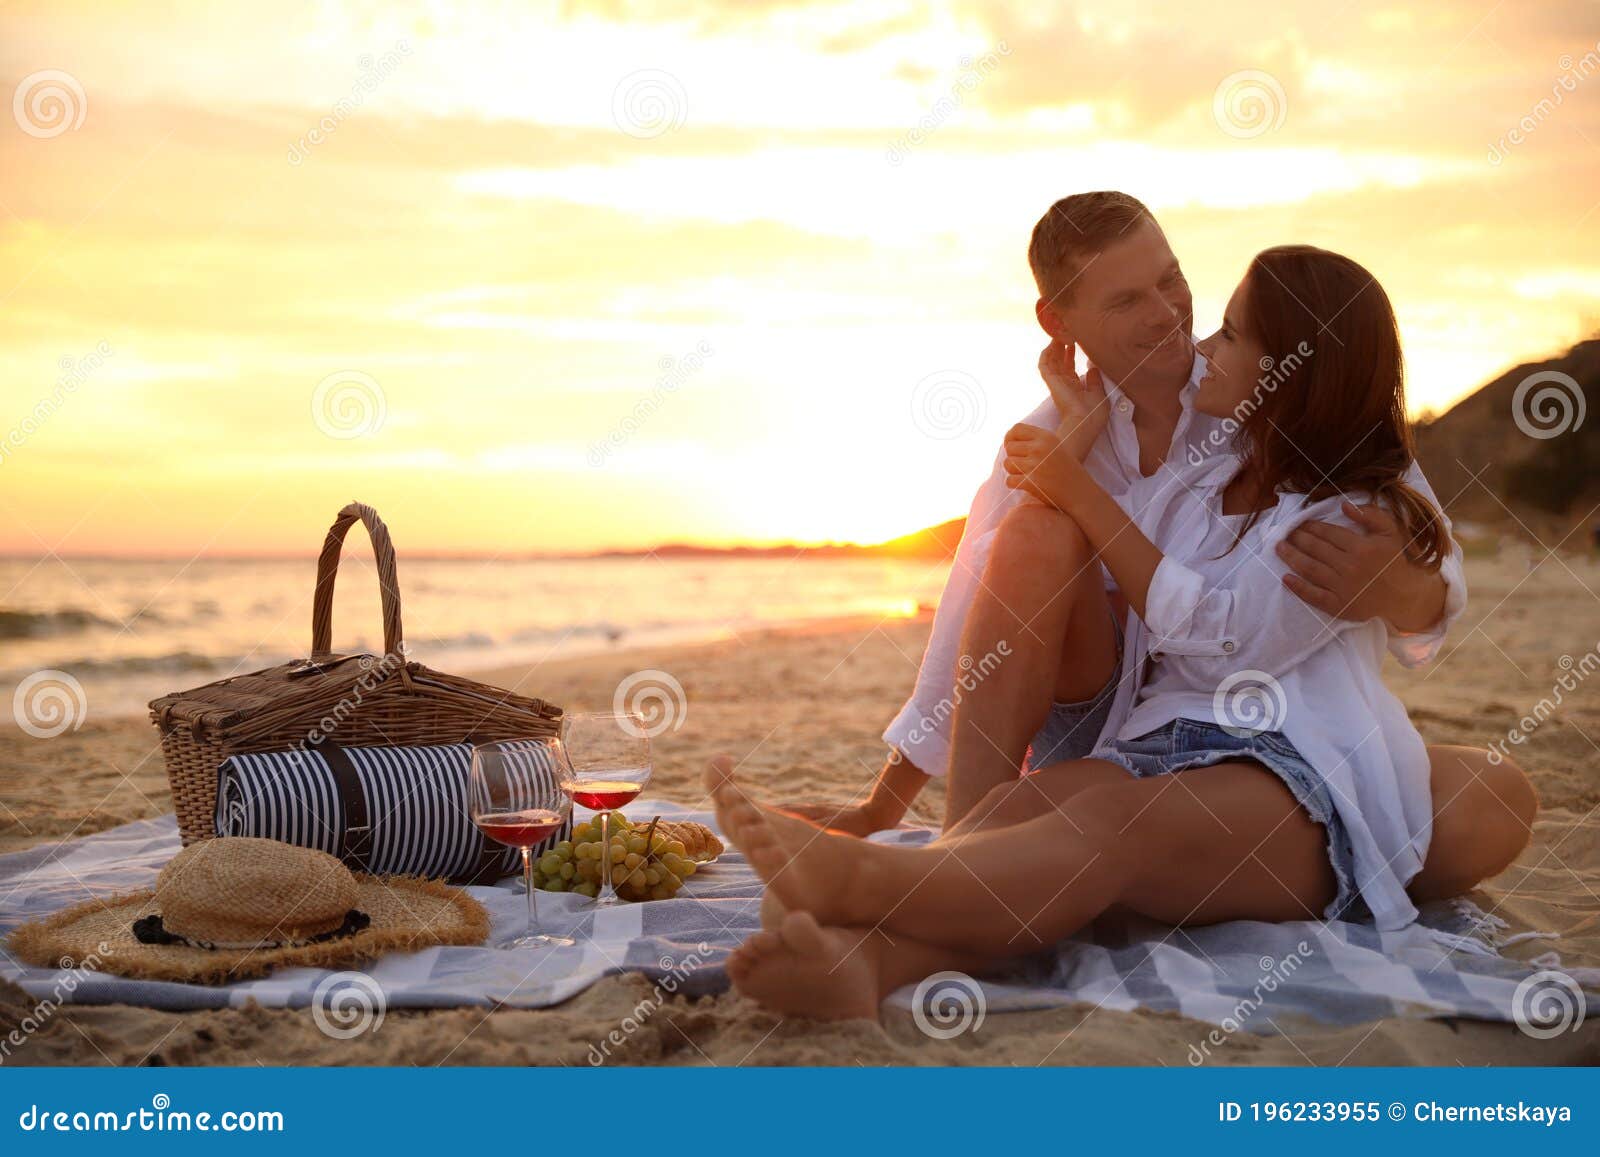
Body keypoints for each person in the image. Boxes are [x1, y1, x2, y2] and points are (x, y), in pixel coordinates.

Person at [710, 245, 1538, 1022]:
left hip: (1288, 768)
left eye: (1223, 325)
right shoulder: (1196, 476)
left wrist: (1411, 586)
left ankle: (863, 879)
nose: (1191, 331)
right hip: (1150, 741)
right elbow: (977, 596)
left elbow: (1228, 635)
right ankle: (869, 962)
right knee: (1019, 810)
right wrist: (887, 794)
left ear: (1293, 375)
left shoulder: (1343, 508)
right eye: (1130, 299)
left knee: (1111, 836)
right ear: (1063, 323)